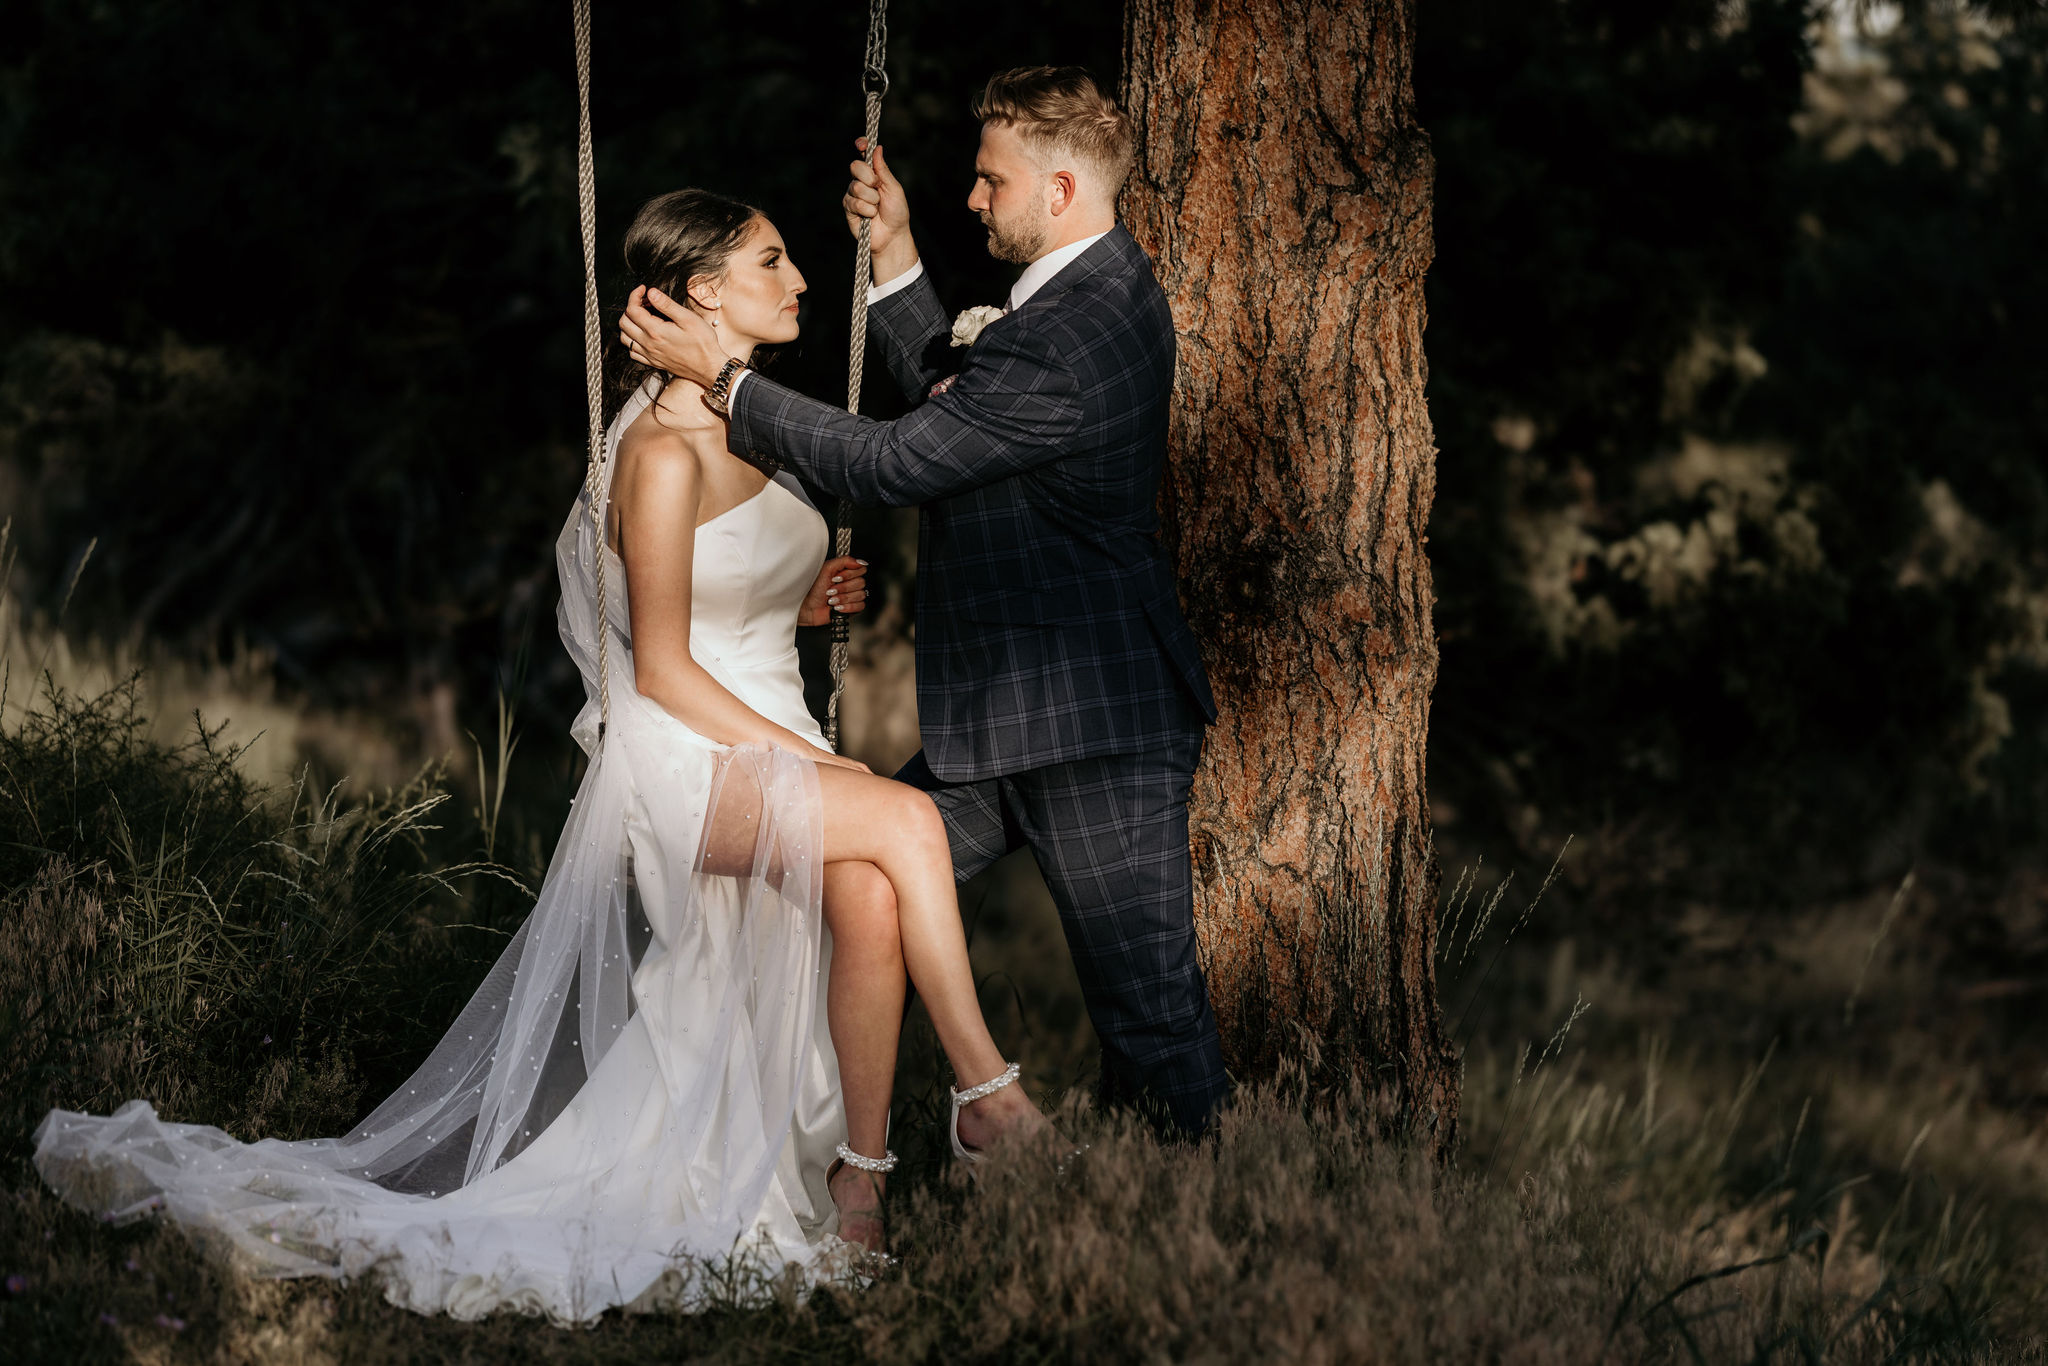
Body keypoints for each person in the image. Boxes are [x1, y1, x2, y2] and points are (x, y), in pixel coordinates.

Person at [35, 188, 1048, 1325]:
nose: (801, 278)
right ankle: (986, 1094)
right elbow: (658, 667)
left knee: (867, 894)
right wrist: (825, 767)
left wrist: (805, 604)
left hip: (764, 733)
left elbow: (726, 593)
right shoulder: (657, 455)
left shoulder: (751, 420)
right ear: (706, 291)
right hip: (687, 758)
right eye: (772, 261)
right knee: (903, 825)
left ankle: (859, 1186)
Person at [620, 66, 1229, 1139]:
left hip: (1090, 730)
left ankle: (1175, 1227)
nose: (971, 199)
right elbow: (962, 399)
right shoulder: (1079, 294)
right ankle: (799, 1140)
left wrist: (726, 384)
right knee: (851, 891)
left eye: (990, 182)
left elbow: (904, 458)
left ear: (1059, 192)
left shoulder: (1075, 331)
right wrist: (894, 251)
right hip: (996, 721)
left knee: (1150, 1021)